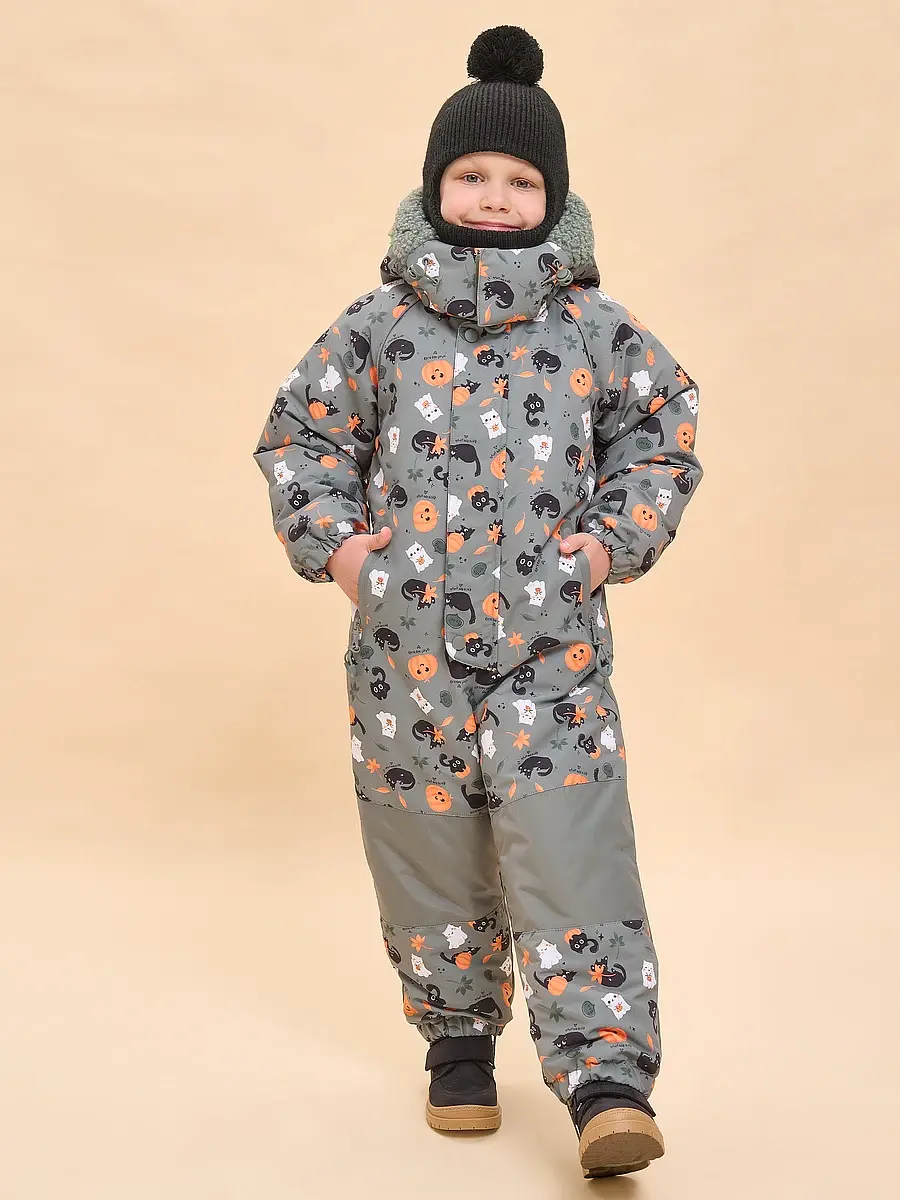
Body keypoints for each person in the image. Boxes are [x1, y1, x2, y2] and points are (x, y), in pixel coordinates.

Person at [252, 24, 703, 1180]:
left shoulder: (595, 329)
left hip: (552, 656)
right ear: (433, 187)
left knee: (575, 847)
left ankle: (607, 1081)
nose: (495, 198)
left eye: (520, 181)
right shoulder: (377, 325)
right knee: (426, 846)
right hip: (403, 658)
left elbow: (662, 435)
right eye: (471, 175)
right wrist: (342, 553)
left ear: (554, 200)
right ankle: (457, 1040)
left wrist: (606, 548)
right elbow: (302, 437)